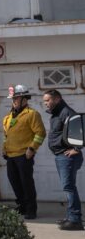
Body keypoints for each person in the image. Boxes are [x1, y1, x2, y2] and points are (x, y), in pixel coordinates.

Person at [2, 85, 46, 220]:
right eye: (13, 98)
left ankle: (31, 210)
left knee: (26, 183)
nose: (14, 101)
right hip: (11, 155)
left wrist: (32, 148)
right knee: (14, 181)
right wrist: (4, 149)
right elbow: (7, 135)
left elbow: (40, 133)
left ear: (24, 99)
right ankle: (22, 206)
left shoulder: (32, 114)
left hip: (24, 155)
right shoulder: (8, 116)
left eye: (16, 98)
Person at [43, 89, 83, 231]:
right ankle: (70, 217)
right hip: (61, 156)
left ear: (57, 99)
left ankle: (75, 220)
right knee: (68, 187)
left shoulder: (67, 112)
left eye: (47, 100)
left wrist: (77, 149)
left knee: (69, 187)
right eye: (45, 101)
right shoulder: (57, 113)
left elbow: (81, 130)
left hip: (68, 157)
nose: (45, 103)